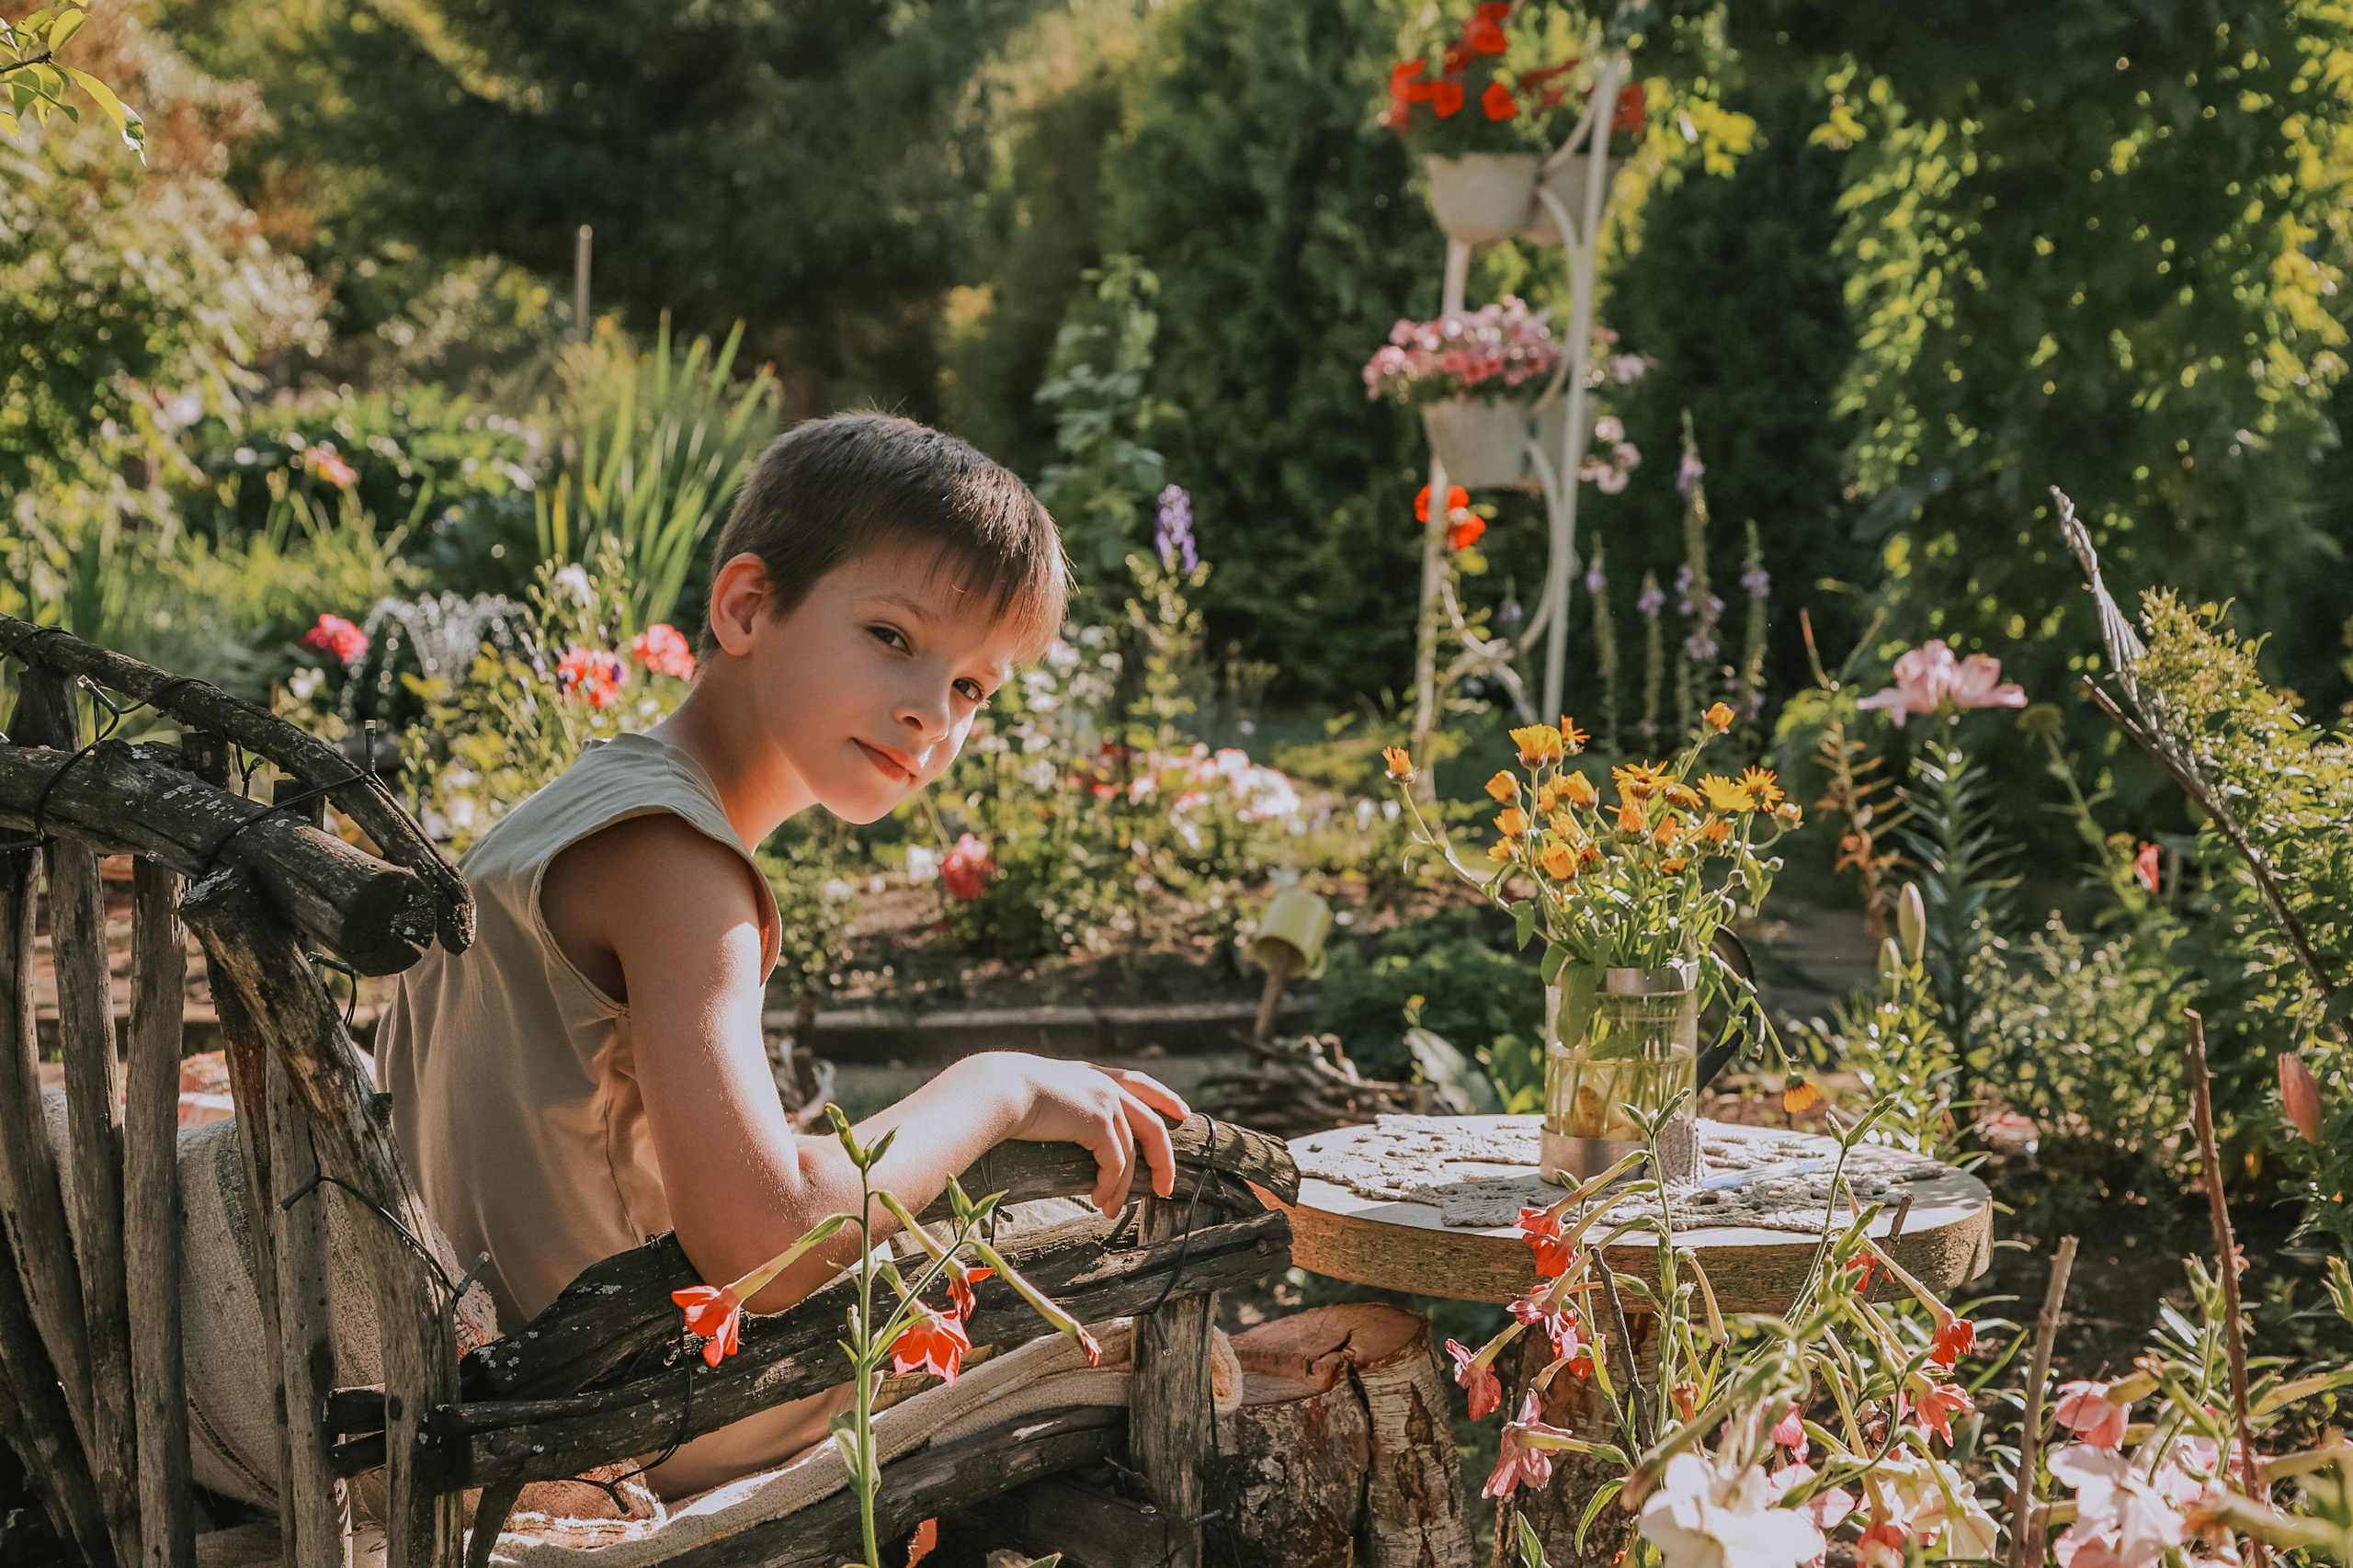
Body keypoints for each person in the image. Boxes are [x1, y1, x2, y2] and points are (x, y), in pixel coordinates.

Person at [374, 413, 1189, 1495]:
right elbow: (762, 1244)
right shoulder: (676, 863)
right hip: (608, 1410)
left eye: (972, 689)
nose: (928, 715)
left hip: (491, 1363)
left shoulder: (593, 802)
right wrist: (996, 1082)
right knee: (1110, 1267)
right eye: (895, 636)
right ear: (748, 605)